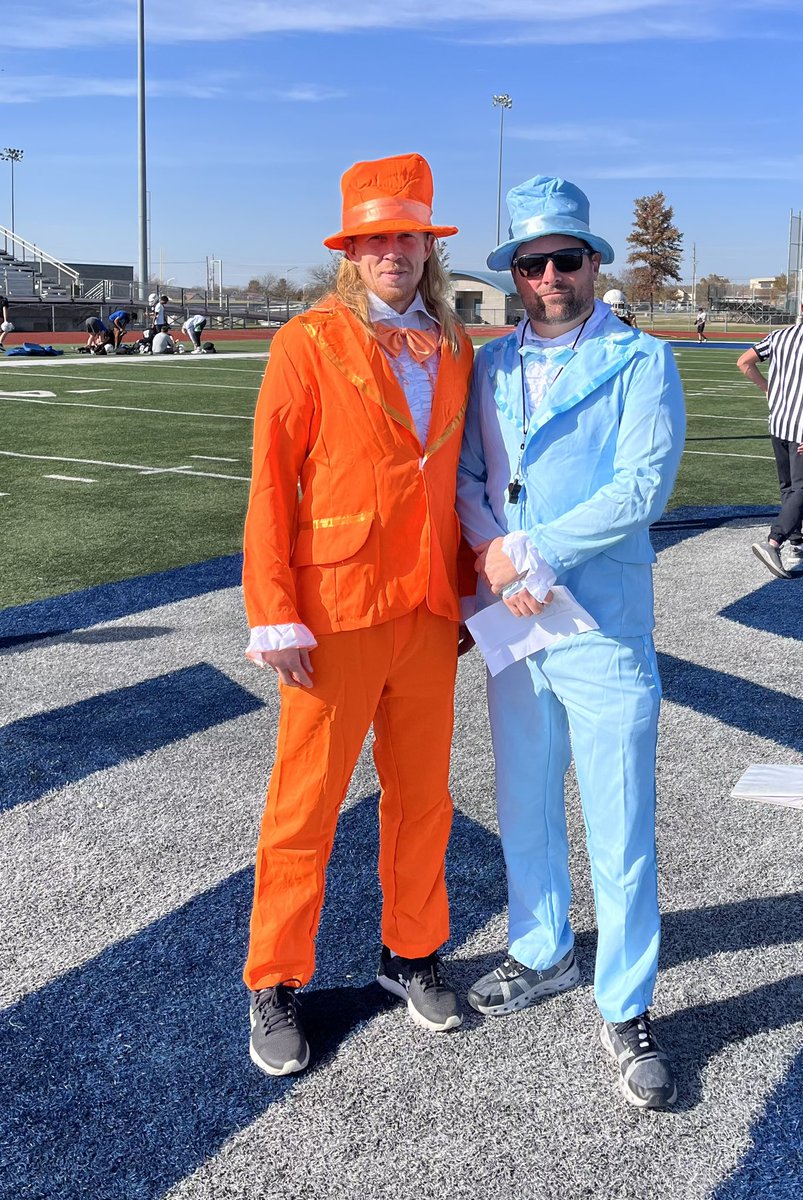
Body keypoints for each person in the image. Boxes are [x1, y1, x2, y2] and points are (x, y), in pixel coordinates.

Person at [241, 153, 474, 1077]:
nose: (393, 252)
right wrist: (274, 610)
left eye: (407, 235)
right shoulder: (306, 341)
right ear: (352, 249)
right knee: (307, 803)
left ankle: (410, 951)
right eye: (375, 238)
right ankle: (276, 977)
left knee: (425, 799)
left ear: (428, 244)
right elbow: (270, 483)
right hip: (332, 611)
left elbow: (456, 482)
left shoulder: (455, 346)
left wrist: (469, 588)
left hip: (426, 610)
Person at [457, 175, 686, 1109]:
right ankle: (540, 945)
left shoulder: (643, 361)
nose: (548, 275)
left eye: (565, 258)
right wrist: (498, 557)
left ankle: (626, 998)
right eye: (530, 262)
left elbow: (643, 488)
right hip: (519, 617)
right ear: (514, 271)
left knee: (620, 816)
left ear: (595, 263)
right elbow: (471, 479)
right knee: (524, 799)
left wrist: (537, 550)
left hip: (599, 621)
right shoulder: (490, 364)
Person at [737, 283, 803, 578]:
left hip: (778, 421)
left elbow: (744, 362)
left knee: (789, 487)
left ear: (801, 308)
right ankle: (774, 541)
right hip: (802, 426)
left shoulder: (779, 336)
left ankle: (796, 541)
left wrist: (767, 389)